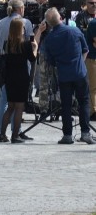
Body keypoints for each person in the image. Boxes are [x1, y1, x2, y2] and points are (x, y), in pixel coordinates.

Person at [38, 8, 94, 144]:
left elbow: (50, 61)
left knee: (66, 105)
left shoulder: (49, 39)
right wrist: (80, 62)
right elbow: (85, 49)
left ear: (49, 23)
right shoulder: (74, 31)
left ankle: (67, 135)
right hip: (79, 72)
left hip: (63, 75)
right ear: (60, 18)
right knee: (84, 103)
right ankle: (85, 133)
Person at [0, 19, 36, 143]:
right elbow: (32, 58)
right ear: (20, 29)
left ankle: (2, 134)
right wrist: (34, 47)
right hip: (21, 77)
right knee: (19, 107)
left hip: (9, 77)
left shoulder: (7, 43)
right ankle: (15, 135)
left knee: (10, 107)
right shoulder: (25, 44)